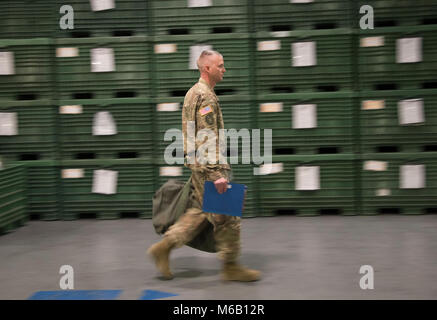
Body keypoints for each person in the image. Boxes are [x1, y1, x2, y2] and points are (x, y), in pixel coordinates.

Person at [148, 50, 261, 282]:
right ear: (206, 68)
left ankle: (165, 246)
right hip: (209, 166)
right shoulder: (206, 97)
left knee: (201, 211)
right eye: (220, 65)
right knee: (228, 214)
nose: (224, 69)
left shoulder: (192, 93)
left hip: (198, 164)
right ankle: (231, 266)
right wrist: (216, 173)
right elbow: (206, 137)